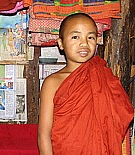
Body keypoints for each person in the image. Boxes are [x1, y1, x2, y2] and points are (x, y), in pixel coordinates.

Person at [38, 13, 134, 155]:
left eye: (90, 37)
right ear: (61, 43)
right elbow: (43, 134)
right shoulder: (53, 82)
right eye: (75, 37)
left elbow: (121, 117)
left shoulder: (103, 76)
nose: (84, 43)